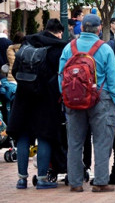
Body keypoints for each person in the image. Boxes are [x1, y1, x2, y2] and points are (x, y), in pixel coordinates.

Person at [58, 14, 115, 193]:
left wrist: (66, 96)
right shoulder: (105, 49)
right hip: (101, 99)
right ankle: (100, 181)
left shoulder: (69, 48)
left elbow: (61, 75)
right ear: (99, 29)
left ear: (82, 28)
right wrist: (113, 100)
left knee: (75, 142)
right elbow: (112, 78)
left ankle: (75, 183)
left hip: (73, 100)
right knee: (101, 141)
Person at [8, 19, 68, 190]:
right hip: (45, 100)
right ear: (59, 32)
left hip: (23, 98)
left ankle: (21, 179)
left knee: (23, 137)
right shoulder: (57, 48)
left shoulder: (27, 42)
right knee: (44, 137)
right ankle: (42, 178)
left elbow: (14, 70)